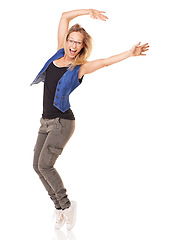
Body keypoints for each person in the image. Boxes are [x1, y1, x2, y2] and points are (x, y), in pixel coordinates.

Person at [31, 9, 149, 231]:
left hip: (62, 123)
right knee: (37, 167)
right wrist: (88, 11)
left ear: (83, 47)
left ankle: (67, 206)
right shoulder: (58, 53)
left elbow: (104, 62)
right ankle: (59, 208)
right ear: (66, 41)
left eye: (79, 44)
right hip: (45, 121)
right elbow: (65, 16)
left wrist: (129, 53)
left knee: (45, 165)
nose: (74, 46)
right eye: (71, 41)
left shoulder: (79, 68)